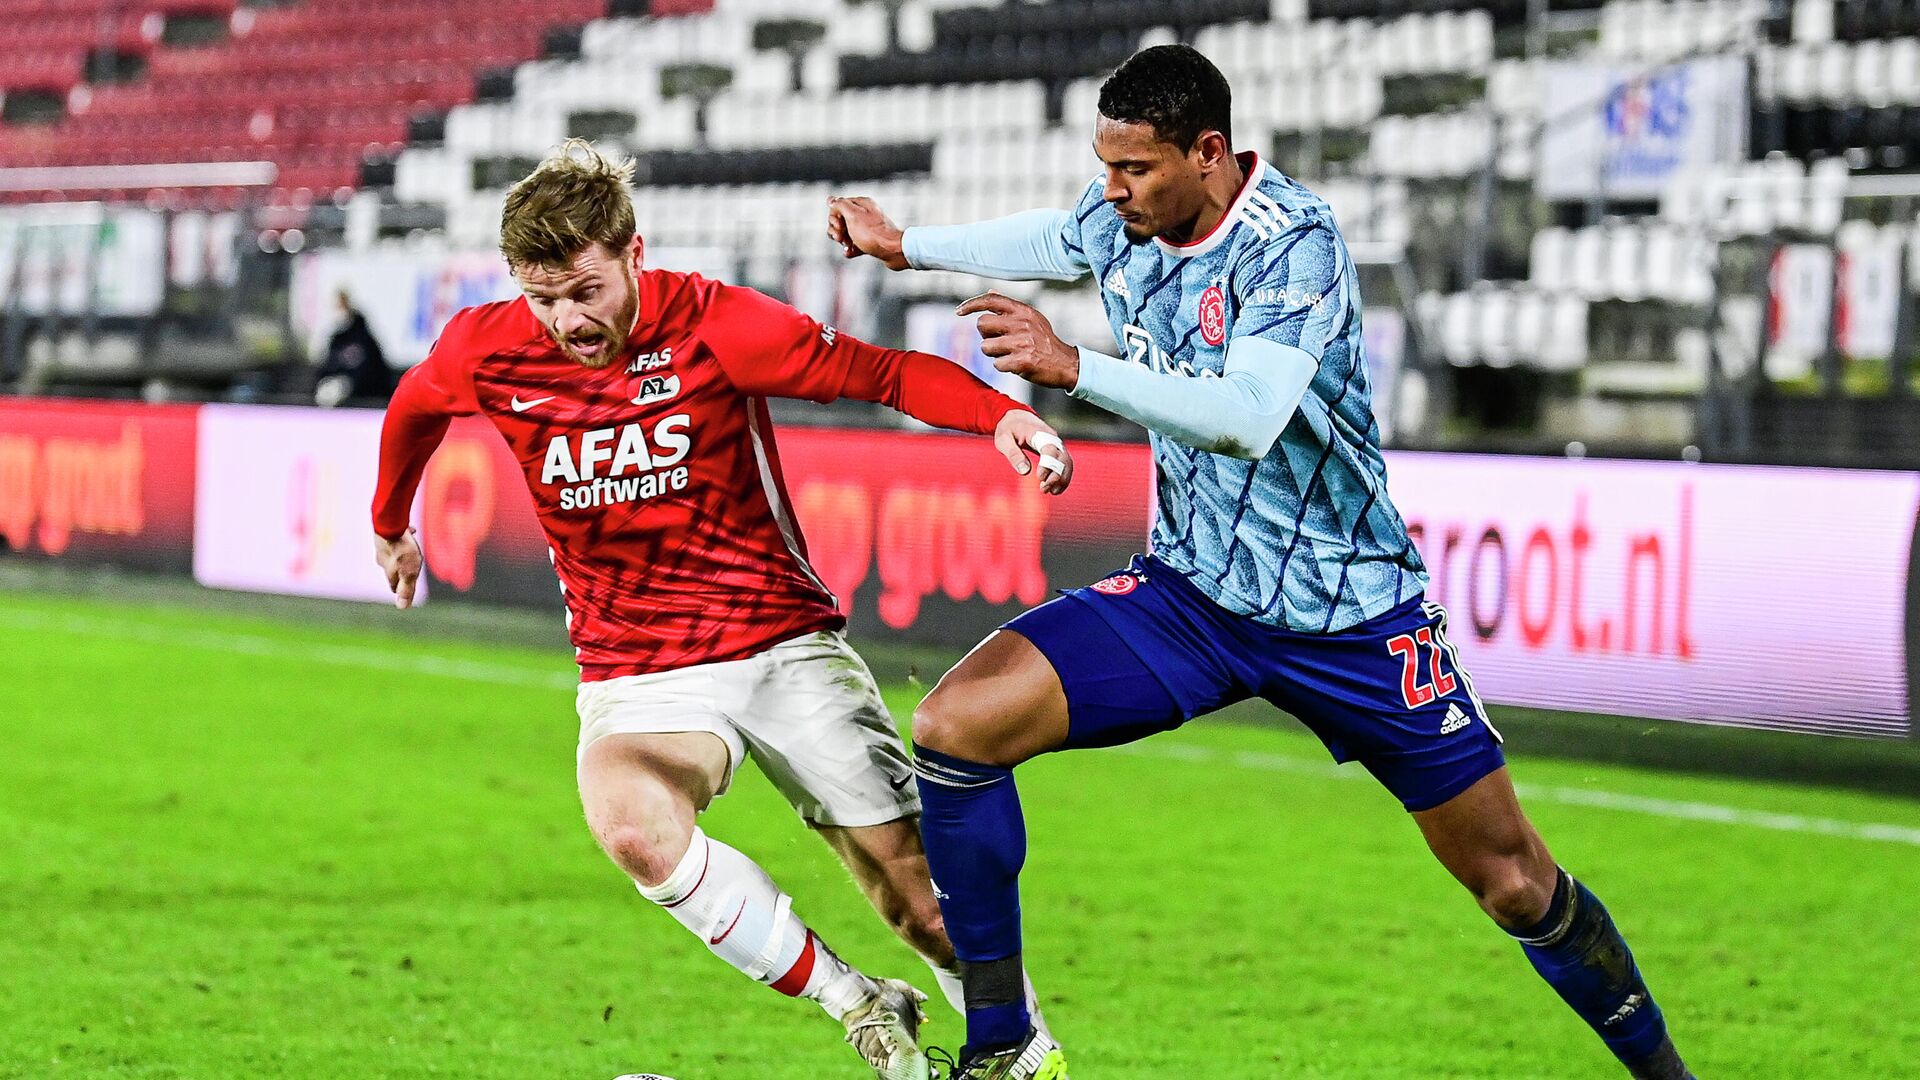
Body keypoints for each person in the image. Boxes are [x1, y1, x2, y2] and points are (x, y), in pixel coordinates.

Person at [828, 44, 1695, 1080]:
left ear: (1209, 154)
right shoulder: (1124, 215)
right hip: (1193, 596)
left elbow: (1246, 419)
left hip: (1351, 617)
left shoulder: (1297, 243)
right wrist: (906, 245)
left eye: (1135, 170)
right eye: (1104, 167)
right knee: (954, 726)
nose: (1112, 192)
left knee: (1513, 881)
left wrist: (1074, 366)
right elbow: (1056, 235)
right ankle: (1004, 1045)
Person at [371, 140, 1069, 1080]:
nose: (566, 320)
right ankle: (857, 1004)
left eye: (585, 291)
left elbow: (883, 374)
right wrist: (391, 522)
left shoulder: (717, 326)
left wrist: (1001, 416)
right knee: (632, 827)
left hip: (780, 649)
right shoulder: (488, 347)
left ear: (632, 253)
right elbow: (416, 405)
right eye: (543, 299)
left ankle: (1027, 1056)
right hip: (636, 672)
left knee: (921, 908)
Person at [316, 290, 396, 407]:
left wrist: (349, 385)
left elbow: (373, 370)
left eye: (341, 306)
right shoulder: (336, 339)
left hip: (366, 400)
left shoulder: (364, 337)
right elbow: (328, 366)